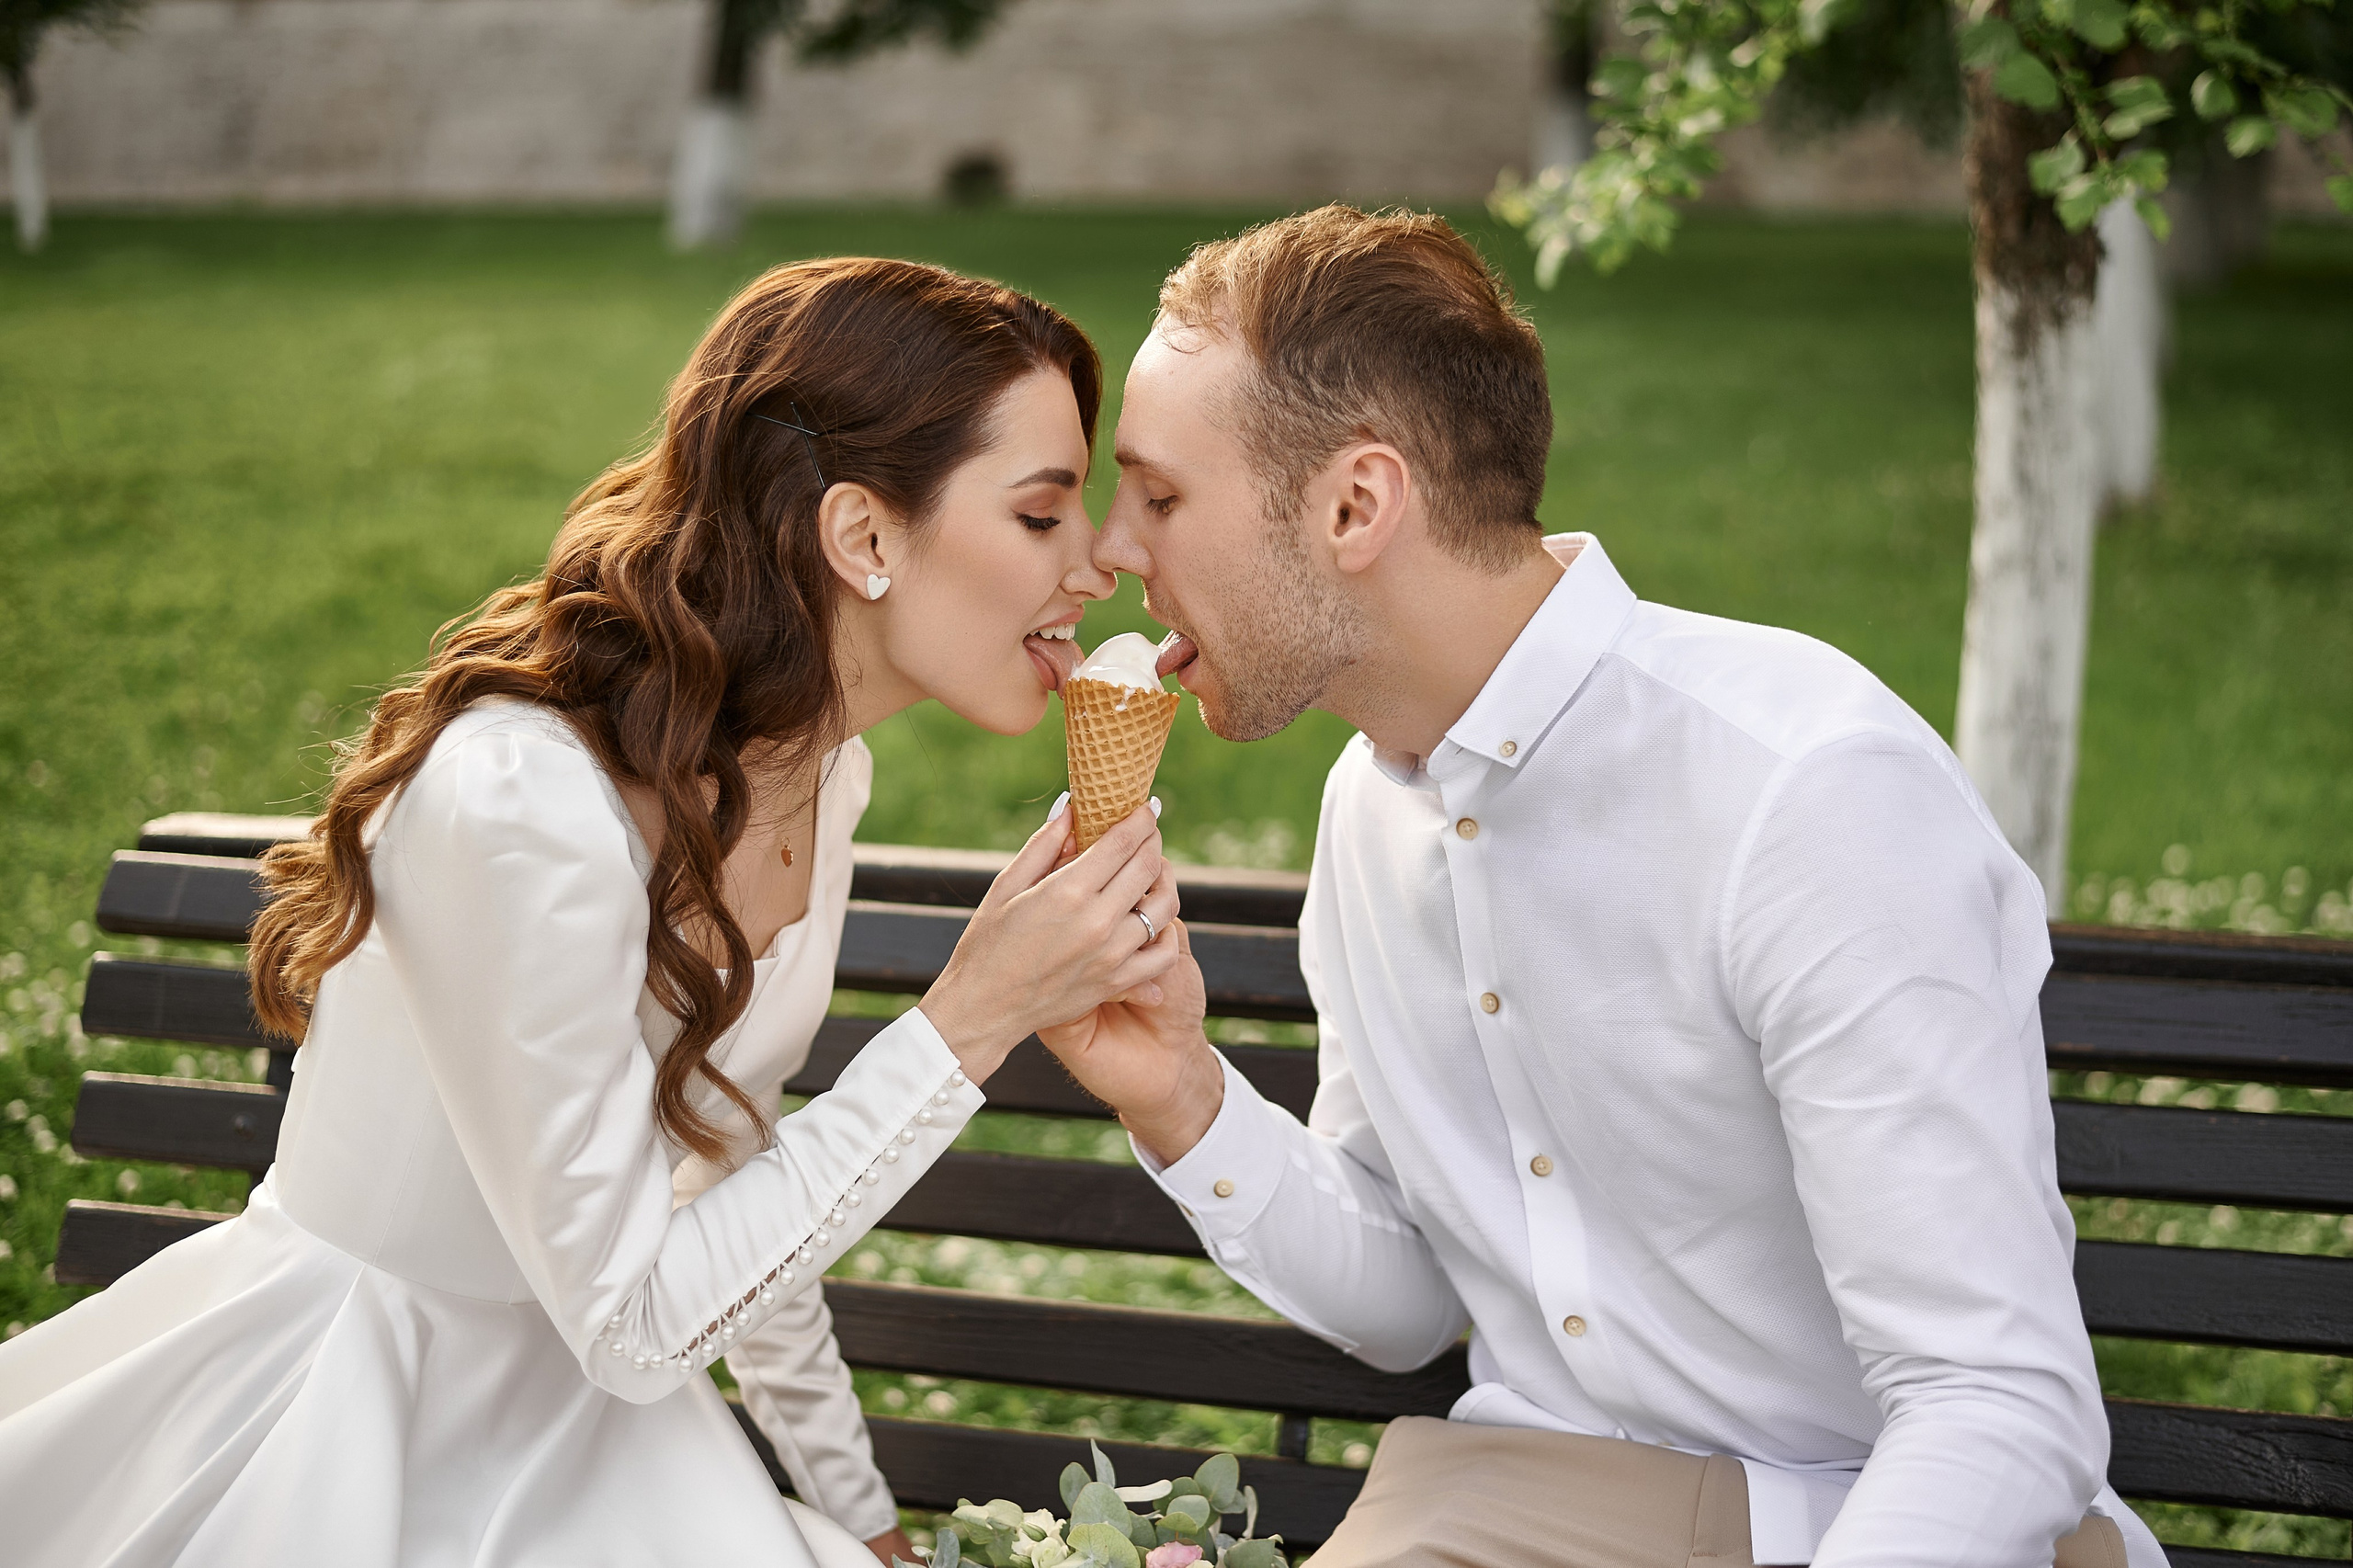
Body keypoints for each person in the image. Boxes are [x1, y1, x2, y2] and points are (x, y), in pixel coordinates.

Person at [0, 257, 1182, 1568]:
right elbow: (629, 1326)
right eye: (1040, 515)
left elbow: (733, 1159)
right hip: (355, 1426)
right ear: (862, 536)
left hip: (595, 1439)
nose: (1098, 568)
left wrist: (860, 1515)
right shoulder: (520, 803)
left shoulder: (820, 776)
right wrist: (971, 1016)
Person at [1039, 206, 2165, 1568]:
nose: (1111, 551)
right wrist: (1181, 1093)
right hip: (1512, 1512)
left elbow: (2001, 1405)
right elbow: (1407, 1299)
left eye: (1158, 495)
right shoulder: (1368, 809)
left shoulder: (1801, 786)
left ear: (1354, 504)